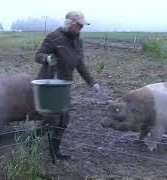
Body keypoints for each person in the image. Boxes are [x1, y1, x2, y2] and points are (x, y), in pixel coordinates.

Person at [35, 11, 101, 160]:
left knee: (63, 121)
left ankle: (55, 151)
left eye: (82, 26)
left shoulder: (78, 41)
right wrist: (48, 58)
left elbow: (80, 64)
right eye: (79, 25)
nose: (81, 28)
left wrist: (92, 83)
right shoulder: (54, 37)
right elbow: (38, 56)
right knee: (52, 121)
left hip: (64, 87)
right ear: (70, 23)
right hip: (49, 85)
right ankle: (28, 144)